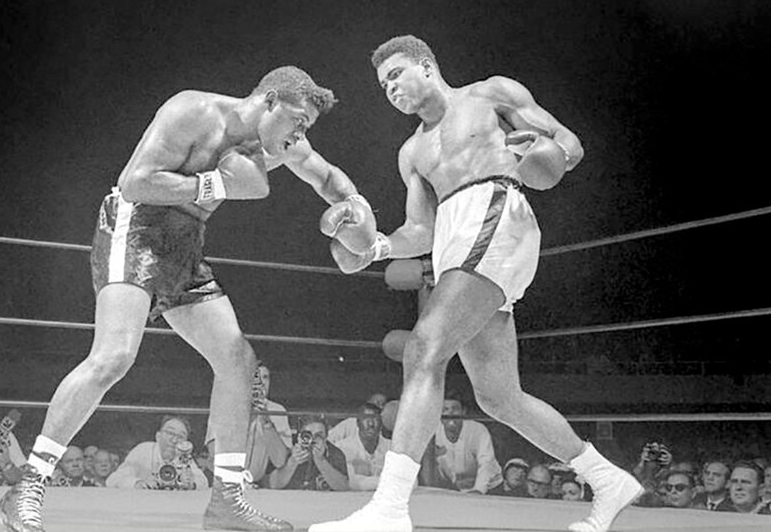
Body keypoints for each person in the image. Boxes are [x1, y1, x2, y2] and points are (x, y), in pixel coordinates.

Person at [0, 65, 372, 532]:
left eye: (307, 127)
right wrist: (216, 184)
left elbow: (327, 177)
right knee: (114, 356)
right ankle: (26, 487)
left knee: (237, 358)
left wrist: (356, 206)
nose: (299, 134)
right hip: (137, 229)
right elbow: (135, 181)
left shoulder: (280, 146)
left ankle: (227, 501)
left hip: (186, 243)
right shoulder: (193, 111)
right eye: (297, 120)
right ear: (270, 101)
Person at [310, 35, 640, 532]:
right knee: (498, 396)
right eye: (383, 85)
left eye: (396, 74)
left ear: (426, 65)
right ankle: (608, 479)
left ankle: (389, 508)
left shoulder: (489, 94)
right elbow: (419, 231)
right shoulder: (411, 152)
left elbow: (568, 144)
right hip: (452, 242)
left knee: (424, 348)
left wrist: (544, 154)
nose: (391, 89)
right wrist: (373, 248)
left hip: (496, 215)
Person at [418, 392, 502, 494]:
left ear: (463, 412)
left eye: (455, 409)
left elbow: (486, 463)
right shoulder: (432, 431)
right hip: (453, 489)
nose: (450, 414)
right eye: (445, 409)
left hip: (489, 487)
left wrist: (478, 490)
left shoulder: (478, 431)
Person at [267, 415, 349, 491]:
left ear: (326, 437)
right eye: (307, 435)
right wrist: (292, 463)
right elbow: (272, 484)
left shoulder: (334, 453)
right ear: (299, 436)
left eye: (318, 436)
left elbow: (343, 487)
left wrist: (321, 461)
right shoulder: (288, 448)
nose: (312, 440)